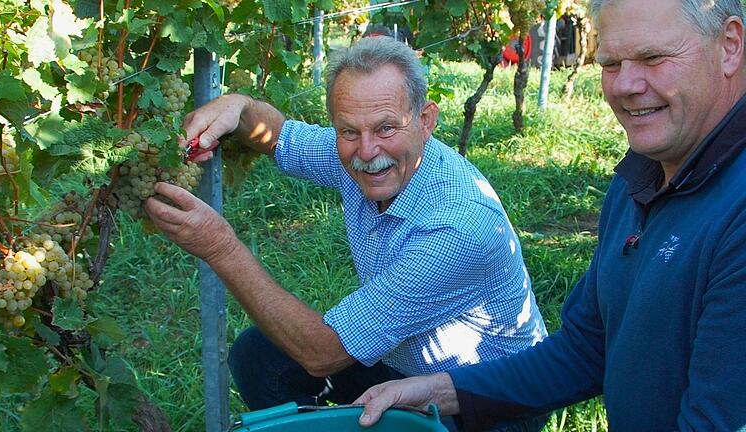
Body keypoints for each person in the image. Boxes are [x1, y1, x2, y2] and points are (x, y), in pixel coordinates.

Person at [354, 0, 746, 430]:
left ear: (729, 45)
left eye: (653, 58)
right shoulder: (642, 179)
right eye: (611, 63)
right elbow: (586, 349)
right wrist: (438, 391)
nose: (626, 84)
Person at [143, 36, 548, 427]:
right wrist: (240, 107)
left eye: (386, 128)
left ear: (426, 121)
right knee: (260, 357)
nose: (367, 151)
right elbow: (281, 136)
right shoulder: (362, 154)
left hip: (486, 405)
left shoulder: (456, 229)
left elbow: (322, 353)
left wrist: (220, 247)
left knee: (303, 355)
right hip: (405, 364)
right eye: (348, 131)